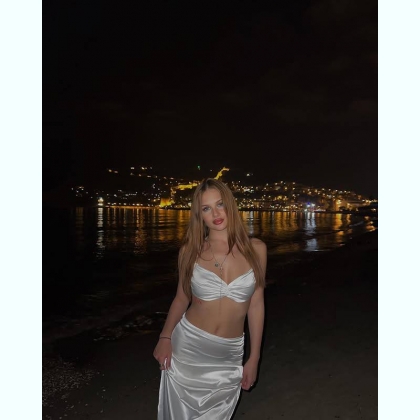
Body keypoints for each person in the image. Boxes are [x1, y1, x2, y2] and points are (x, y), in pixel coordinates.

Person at [153, 178, 266, 420]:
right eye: (206, 208)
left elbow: (256, 305)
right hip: (188, 348)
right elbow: (181, 299)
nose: (215, 214)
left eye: (220, 204)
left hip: (229, 355)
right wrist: (165, 337)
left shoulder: (257, 250)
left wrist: (254, 357)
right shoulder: (190, 251)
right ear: (199, 215)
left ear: (230, 205)